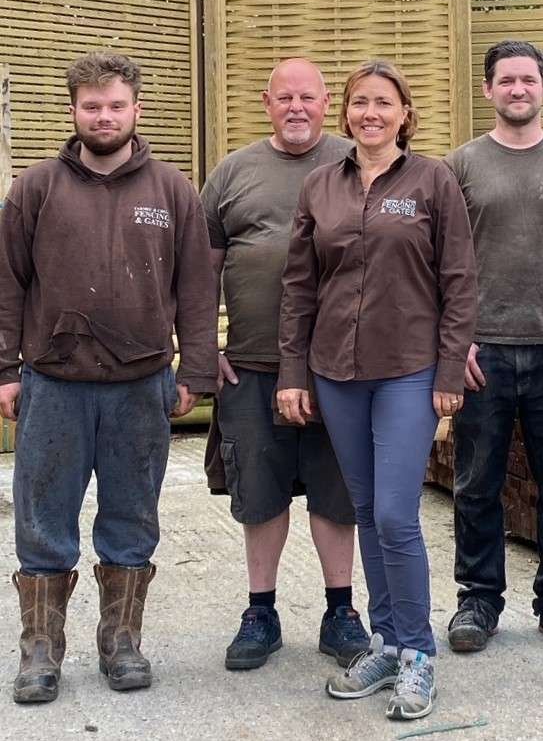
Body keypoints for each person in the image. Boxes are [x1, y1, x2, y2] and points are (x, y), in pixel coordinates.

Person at [0, 52, 218, 702]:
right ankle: (41, 651)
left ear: (135, 110)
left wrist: (197, 370)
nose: (104, 116)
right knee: (43, 522)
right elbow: (7, 284)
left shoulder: (172, 191)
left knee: (130, 518)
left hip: (139, 384)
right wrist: (6, 369)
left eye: (115, 105)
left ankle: (121, 643)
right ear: (74, 111)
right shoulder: (36, 189)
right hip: (53, 384)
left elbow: (197, 289)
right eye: (92, 106)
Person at [277, 60, 476, 721]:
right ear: (347, 113)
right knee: (365, 512)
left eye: (383, 103)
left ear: (404, 114)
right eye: (360, 102)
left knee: (394, 513)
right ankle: (388, 641)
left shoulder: (433, 181)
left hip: (408, 369)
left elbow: (459, 282)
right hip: (335, 371)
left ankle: (418, 651)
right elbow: (299, 288)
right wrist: (292, 373)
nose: (370, 113)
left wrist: (450, 373)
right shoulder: (318, 187)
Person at [200, 58, 369, 672]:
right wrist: (202, 350)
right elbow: (201, 272)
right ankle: (261, 612)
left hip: (341, 369)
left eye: (309, 97)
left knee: (336, 492)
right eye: (284, 98)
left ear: (329, 103)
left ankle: (341, 610)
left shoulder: (359, 163)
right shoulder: (232, 173)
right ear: (265, 102)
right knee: (261, 495)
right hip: (250, 366)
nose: (296, 108)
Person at [444, 40, 543, 653]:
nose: (517, 90)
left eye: (528, 80)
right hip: (481, 352)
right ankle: (478, 601)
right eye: (506, 81)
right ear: (488, 90)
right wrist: (455, 343)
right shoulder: (459, 167)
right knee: (476, 482)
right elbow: (442, 265)